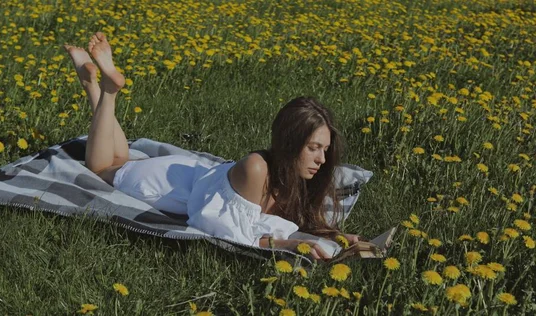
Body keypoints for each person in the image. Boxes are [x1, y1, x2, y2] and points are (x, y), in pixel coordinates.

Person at [64, 32, 362, 260]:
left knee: (121, 156)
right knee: (105, 167)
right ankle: (108, 91)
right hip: (163, 182)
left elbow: (294, 223)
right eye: (313, 148)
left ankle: (93, 83)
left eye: (324, 149)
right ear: (289, 142)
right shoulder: (256, 167)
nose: (322, 159)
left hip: (189, 175)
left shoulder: (292, 178)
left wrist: (337, 238)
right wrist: (289, 244)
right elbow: (227, 232)